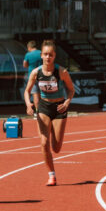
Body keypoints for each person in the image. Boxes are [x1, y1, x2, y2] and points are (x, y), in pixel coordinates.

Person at [23, 40, 75, 185]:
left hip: (59, 109)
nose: (48, 57)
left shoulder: (61, 72)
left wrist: (67, 102)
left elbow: (71, 90)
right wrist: (28, 104)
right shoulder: (36, 72)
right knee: (43, 142)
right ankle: (51, 175)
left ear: (54, 56)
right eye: (45, 54)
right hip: (44, 108)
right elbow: (27, 91)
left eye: (50, 55)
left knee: (56, 148)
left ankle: (53, 127)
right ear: (41, 55)